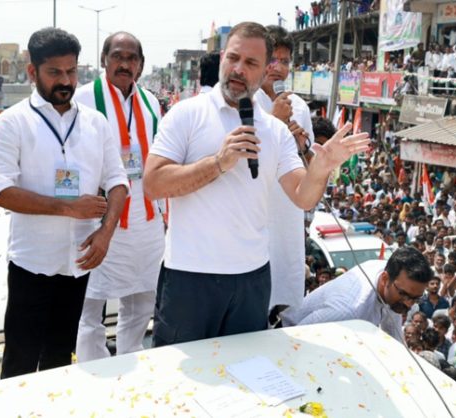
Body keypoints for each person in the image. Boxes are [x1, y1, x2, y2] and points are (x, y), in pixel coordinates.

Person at [143, 22, 370, 347]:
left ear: (265, 71)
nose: (238, 69)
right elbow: (153, 184)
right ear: (222, 57)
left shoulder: (275, 132)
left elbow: (302, 196)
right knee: (182, 382)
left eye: (251, 63)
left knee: (242, 378)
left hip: (251, 281)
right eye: (233, 58)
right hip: (189, 277)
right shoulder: (185, 115)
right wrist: (218, 163)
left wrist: (321, 167)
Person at [0, 28, 128, 378]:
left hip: (78, 265)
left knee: (60, 357)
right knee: (19, 359)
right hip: (31, 265)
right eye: (55, 72)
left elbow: (118, 181)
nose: (66, 81)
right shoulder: (13, 123)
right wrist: (67, 207)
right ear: (32, 72)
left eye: (72, 71)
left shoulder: (96, 123)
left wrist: (105, 233)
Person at [74, 32, 163, 362]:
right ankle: (94, 369)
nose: (125, 64)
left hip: (145, 212)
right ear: (104, 60)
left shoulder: (151, 102)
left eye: (132, 58)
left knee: (141, 297)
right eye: (118, 56)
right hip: (99, 214)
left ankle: (130, 358)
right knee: (90, 305)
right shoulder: (82, 99)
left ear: (140, 65)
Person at [253, 25, 315, 325]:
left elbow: (311, 166)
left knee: (284, 305)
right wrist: (273, 122)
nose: (279, 68)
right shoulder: (244, 103)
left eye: (286, 61)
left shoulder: (299, 107)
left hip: (287, 219)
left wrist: (303, 146)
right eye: (273, 59)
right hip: (254, 217)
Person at [282, 247, 433, 342]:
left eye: (416, 298)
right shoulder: (349, 310)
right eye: (404, 295)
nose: (409, 304)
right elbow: (295, 337)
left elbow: (392, 330)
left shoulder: (394, 285)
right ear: (385, 279)